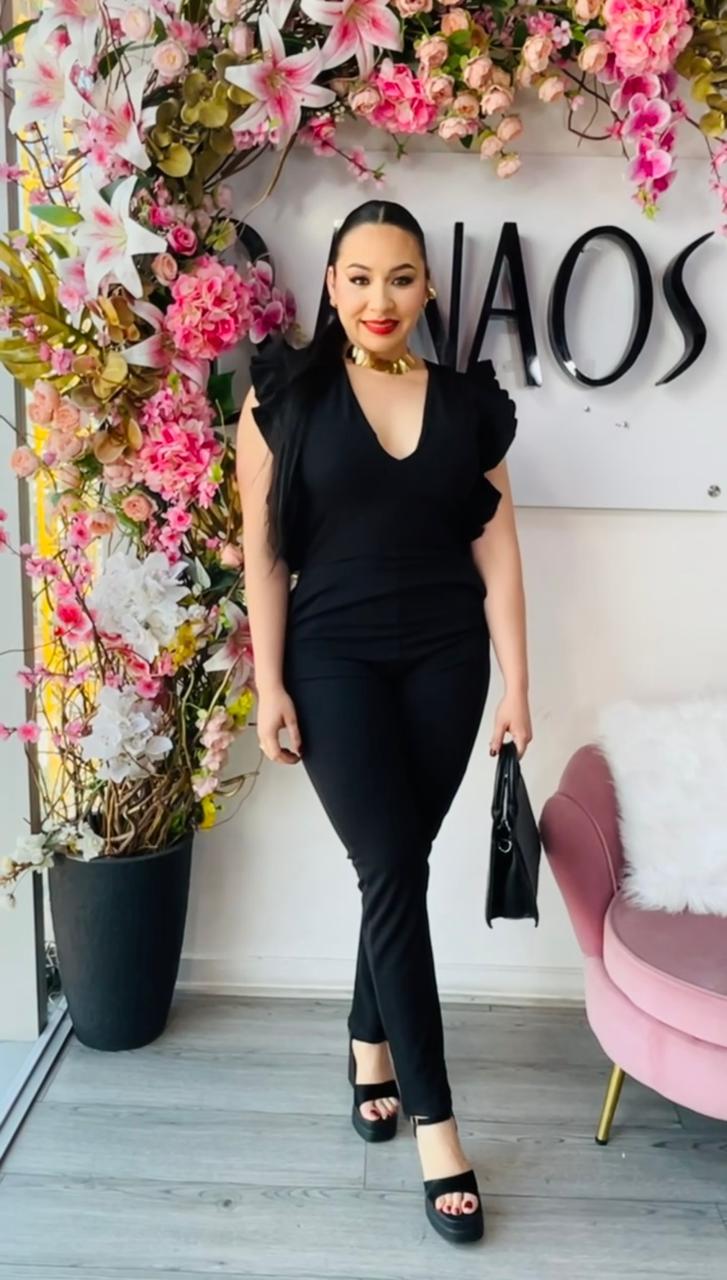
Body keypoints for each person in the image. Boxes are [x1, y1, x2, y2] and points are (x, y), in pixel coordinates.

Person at [236, 200, 532, 1245]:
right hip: (332, 664)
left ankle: (369, 1041)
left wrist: (518, 682)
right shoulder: (285, 396)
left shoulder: (467, 404)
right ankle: (437, 1126)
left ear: (428, 287)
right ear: (330, 285)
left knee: (397, 866)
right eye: (357, 277)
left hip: (447, 661)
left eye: (400, 277)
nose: (379, 298)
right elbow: (262, 554)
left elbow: (498, 549)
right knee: (392, 869)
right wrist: (269, 684)